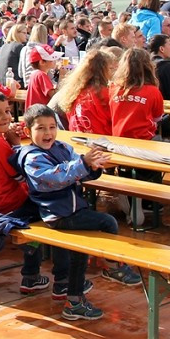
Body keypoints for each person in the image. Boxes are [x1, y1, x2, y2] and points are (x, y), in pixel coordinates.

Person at [16, 104, 141, 321]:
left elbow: (78, 170)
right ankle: (113, 267)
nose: (48, 133)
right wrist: (82, 164)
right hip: (58, 215)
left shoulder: (62, 147)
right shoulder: (32, 158)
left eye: (52, 127)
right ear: (28, 132)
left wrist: (92, 166)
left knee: (80, 250)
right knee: (108, 222)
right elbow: (55, 177)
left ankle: (74, 300)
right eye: (41, 128)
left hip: (72, 211)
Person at [0, 91, 76, 299]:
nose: (6, 118)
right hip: (10, 204)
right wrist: (17, 145)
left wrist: (12, 141)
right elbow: (23, 176)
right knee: (60, 215)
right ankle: (63, 280)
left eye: (8, 112)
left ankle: (32, 276)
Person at [55, 49, 118, 135]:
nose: (114, 72)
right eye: (111, 68)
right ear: (103, 70)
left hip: (77, 138)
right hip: (101, 141)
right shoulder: (105, 93)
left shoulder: (74, 91)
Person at [109, 48, 164, 142]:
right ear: (148, 66)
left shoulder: (113, 89)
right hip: (145, 140)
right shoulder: (153, 91)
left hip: (118, 139)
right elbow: (157, 118)